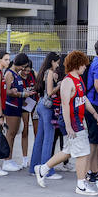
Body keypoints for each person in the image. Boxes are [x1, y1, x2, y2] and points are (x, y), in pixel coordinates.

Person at [34, 50, 98, 194]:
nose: (85, 67)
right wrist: (69, 126)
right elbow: (65, 105)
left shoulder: (79, 79)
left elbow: (84, 99)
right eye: (83, 65)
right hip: (72, 120)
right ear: (77, 64)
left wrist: (94, 113)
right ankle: (81, 185)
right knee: (83, 152)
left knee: (68, 151)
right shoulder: (67, 81)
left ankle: (42, 169)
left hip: (77, 119)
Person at [30, 52, 63, 180]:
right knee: (48, 139)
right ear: (52, 62)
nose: (58, 65)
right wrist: (59, 86)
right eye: (57, 62)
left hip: (41, 106)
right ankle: (46, 170)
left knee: (40, 137)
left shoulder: (45, 72)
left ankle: (34, 167)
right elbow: (49, 92)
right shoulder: (49, 73)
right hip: (47, 107)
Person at [0, 53, 33, 172]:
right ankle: (6, 160)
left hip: (17, 106)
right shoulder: (9, 73)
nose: (23, 69)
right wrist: (21, 94)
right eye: (22, 66)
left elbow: (16, 89)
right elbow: (7, 91)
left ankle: (9, 158)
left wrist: (24, 92)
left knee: (13, 133)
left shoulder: (16, 74)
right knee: (10, 133)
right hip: (11, 106)